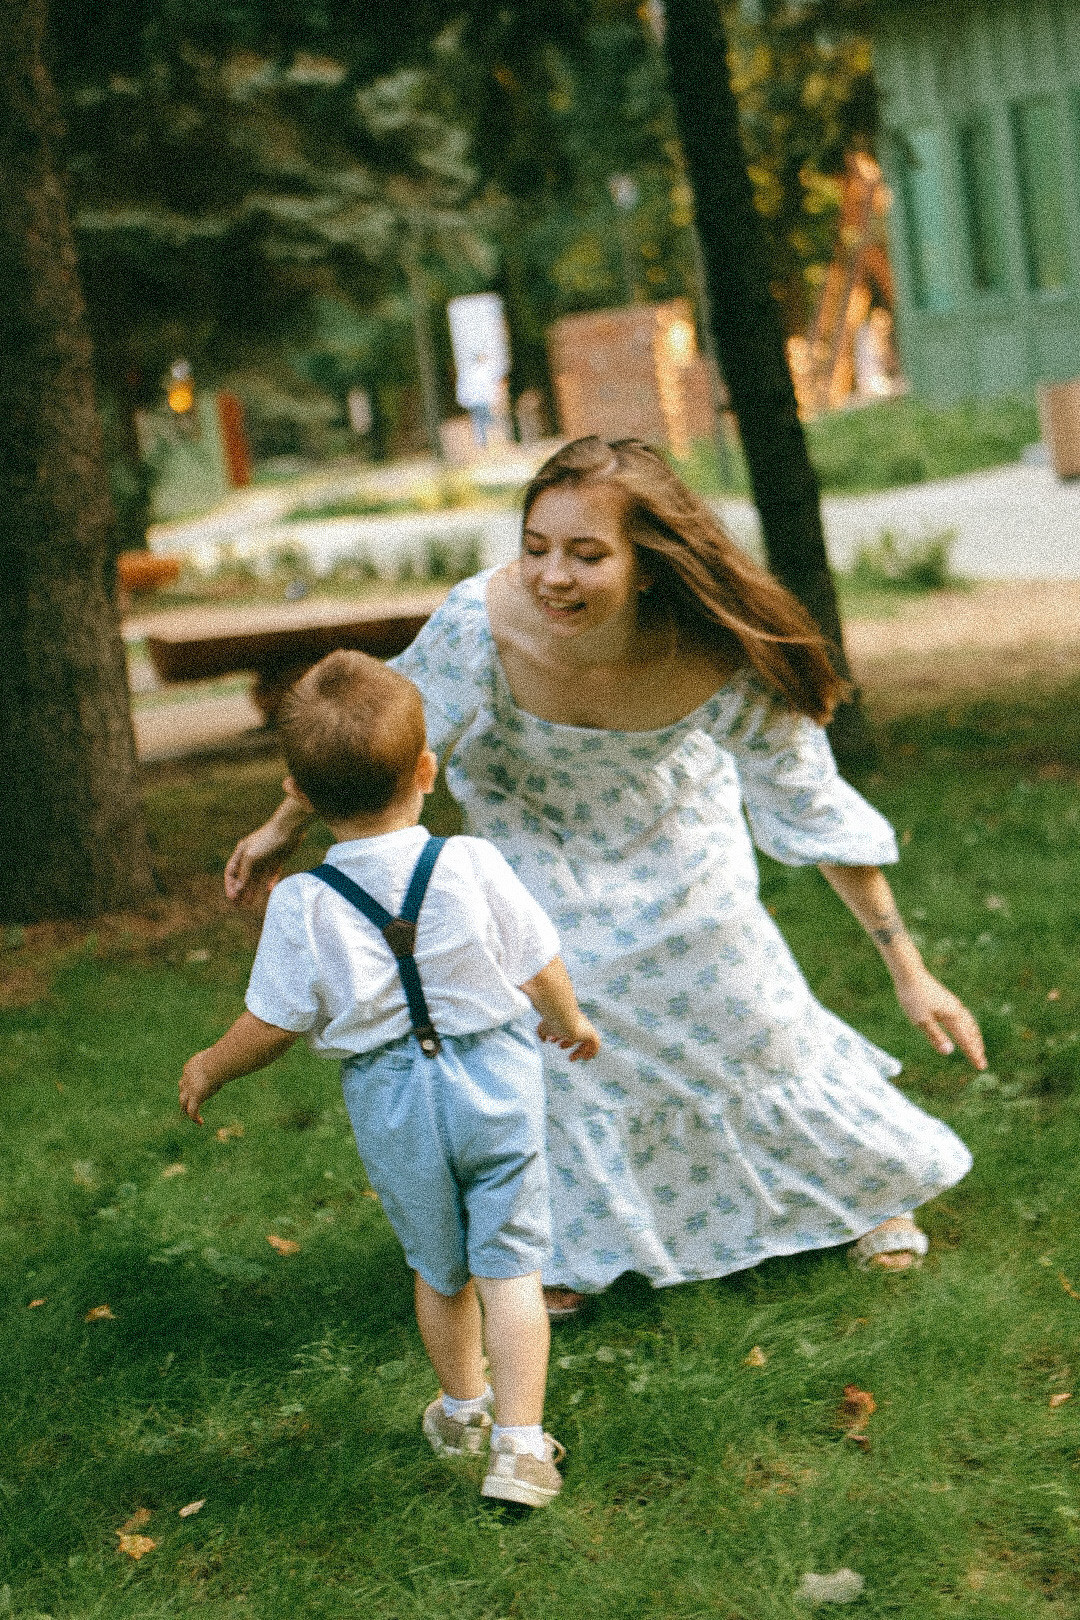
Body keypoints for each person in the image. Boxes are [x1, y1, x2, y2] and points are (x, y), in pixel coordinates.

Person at [225, 437, 987, 1318]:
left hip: (672, 830)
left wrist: (907, 965)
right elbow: (380, 740)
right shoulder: (480, 625)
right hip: (528, 838)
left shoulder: (716, 656)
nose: (552, 576)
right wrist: (282, 825)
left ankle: (861, 1190)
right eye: (536, 546)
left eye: (588, 555)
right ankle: (564, 1247)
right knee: (553, 989)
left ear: (650, 565)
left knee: (744, 997)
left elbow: (813, 807)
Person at [182, 651, 600, 1506]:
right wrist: (571, 1022)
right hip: (497, 1080)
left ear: (298, 786)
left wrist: (209, 1065)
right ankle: (522, 1449)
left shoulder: (303, 899)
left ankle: (461, 1409)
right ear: (426, 770)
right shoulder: (473, 863)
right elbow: (539, 962)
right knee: (512, 1265)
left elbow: (273, 1024)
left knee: (440, 1267)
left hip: (394, 1098)